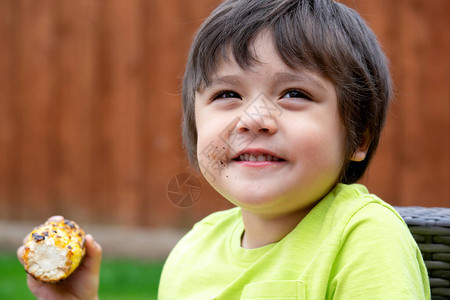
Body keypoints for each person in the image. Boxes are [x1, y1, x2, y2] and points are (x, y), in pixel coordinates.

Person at [17, 0, 430, 299]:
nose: (253, 118)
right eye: (228, 93)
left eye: (294, 93)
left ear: (359, 137)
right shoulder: (192, 252)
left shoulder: (363, 238)